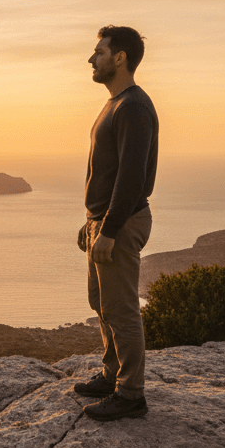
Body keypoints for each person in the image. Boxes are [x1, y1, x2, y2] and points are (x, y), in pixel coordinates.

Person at [74, 25, 158, 421]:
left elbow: (131, 176)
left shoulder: (133, 108)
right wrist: (91, 222)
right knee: (101, 303)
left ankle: (130, 395)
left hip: (120, 224)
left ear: (119, 57)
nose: (92, 59)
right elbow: (107, 175)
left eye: (99, 52)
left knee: (122, 309)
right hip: (104, 221)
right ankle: (112, 373)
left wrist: (108, 229)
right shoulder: (115, 105)